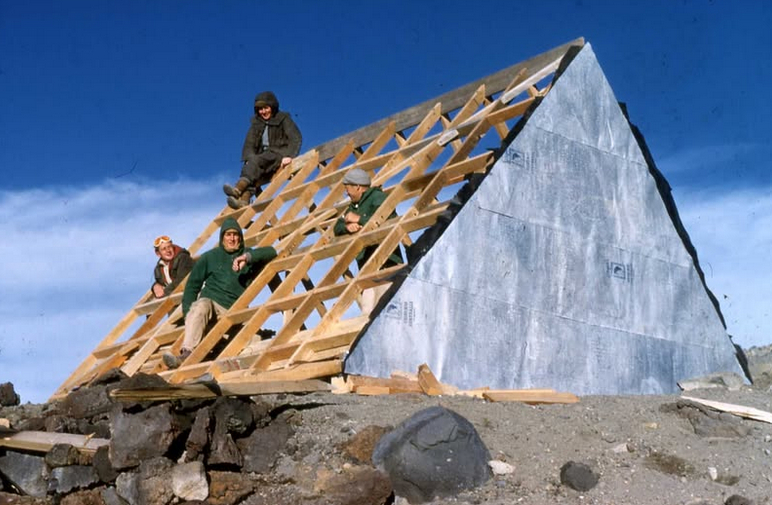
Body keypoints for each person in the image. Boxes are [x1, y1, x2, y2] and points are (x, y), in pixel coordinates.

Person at [163, 218, 277, 369]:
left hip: (234, 311)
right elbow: (192, 286)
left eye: (235, 235)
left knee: (256, 342)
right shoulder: (210, 257)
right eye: (228, 234)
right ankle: (187, 354)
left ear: (240, 237)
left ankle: (222, 350)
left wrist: (247, 258)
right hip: (211, 306)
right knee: (201, 305)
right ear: (222, 237)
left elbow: (272, 251)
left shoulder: (247, 254)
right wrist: (188, 316)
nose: (232, 238)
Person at [333, 168, 403, 313]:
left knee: (388, 313)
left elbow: (388, 221)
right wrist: (348, 227)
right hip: (367, 270)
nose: (346, 193)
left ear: (357, 187)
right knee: (368, 315)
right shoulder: (354, 206)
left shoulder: (378, 198)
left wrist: (359, 219)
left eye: (347, 188)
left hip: (386, 266)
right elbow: (337, 226)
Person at [223, 91, 302, 209]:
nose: (263, 112)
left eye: (266, 108)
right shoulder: (256, 124)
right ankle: (244, 202)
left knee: (256, 162)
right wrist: (248, 159)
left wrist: (289, 155)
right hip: (262, 158)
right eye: (260, 109)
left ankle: (238, 189)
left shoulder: (283, 119)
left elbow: (296, 138)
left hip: (278, 153)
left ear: (272, 107)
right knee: (252, 170)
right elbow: (249, 144)